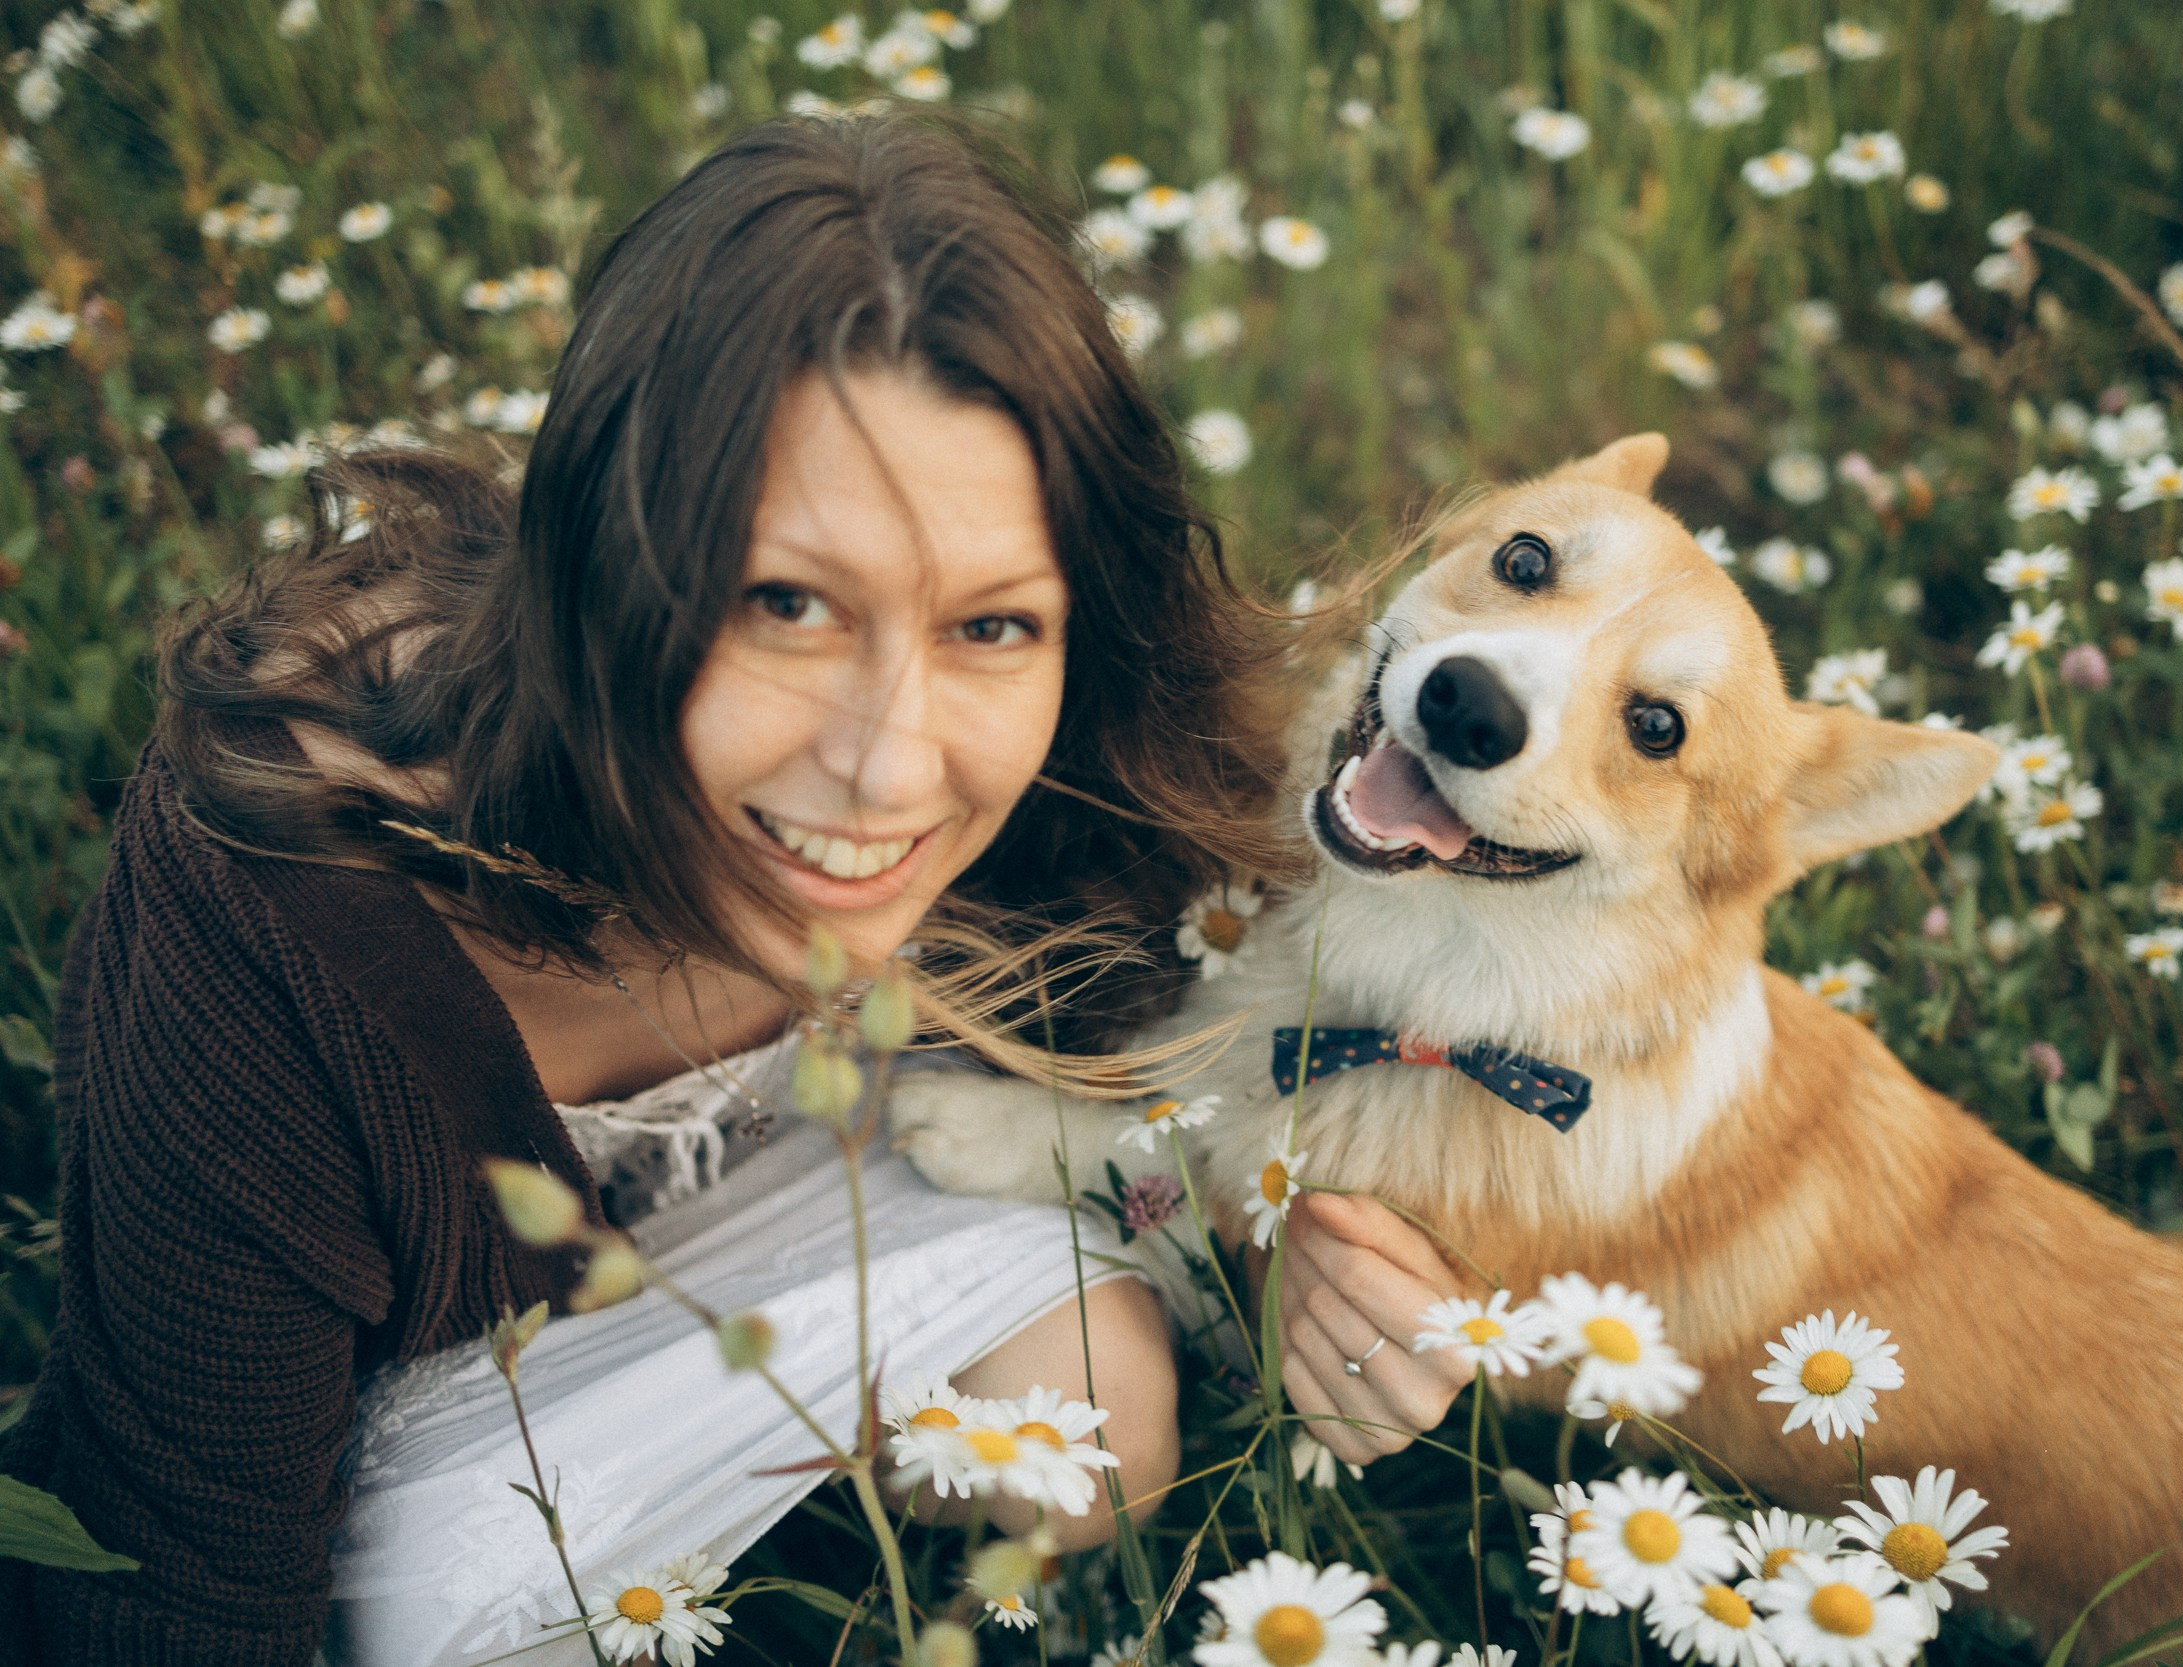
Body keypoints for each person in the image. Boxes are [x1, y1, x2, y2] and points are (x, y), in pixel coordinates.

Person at [1, 112, 1475, 1666]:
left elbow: (1278, 1041)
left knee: (1096, 1423)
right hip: (399, 1475)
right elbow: (169, 1582)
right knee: (432, 1617)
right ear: (605, 572)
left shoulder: (1082, 776)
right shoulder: (289, 915)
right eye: (786, 605)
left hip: (821, 1254)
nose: (891, 770)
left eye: (992, 627)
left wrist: (1293, 1240)